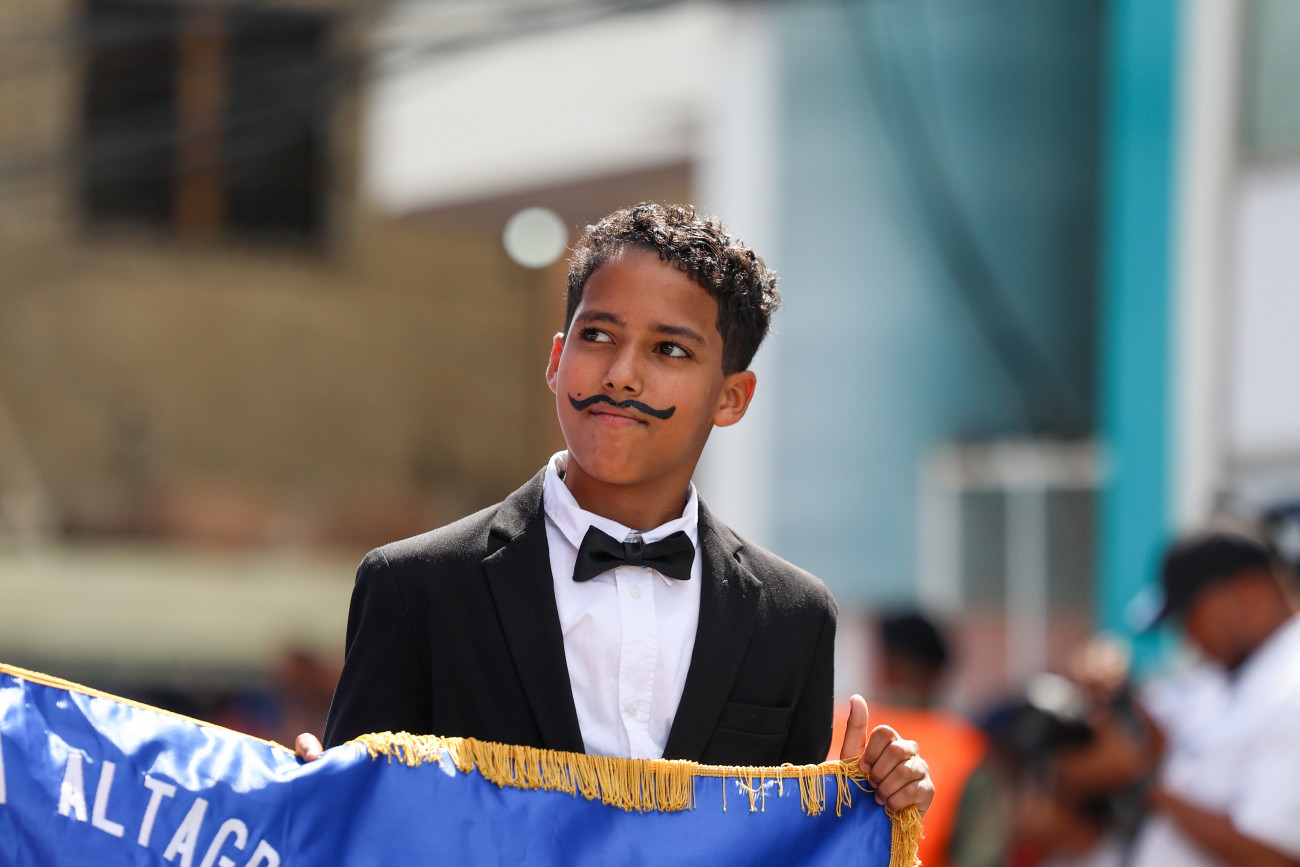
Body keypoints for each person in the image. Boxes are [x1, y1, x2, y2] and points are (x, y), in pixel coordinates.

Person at [294, 203, 933, 819]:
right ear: (556, 359)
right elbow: (357, 828)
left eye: (670, 350)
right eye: (597, 335)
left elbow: (782, 847)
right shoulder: (415, 588)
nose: (621, 375)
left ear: (732, 398)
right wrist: (306, 798)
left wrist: (863, 807)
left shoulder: (793, 616)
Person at [1101, 530, 1300, 867]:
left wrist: (1147, 784)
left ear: (1251, 594)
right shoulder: (1231, 676)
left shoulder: (1291, 689)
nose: (1189, 637)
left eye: (1190, 615)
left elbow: (1274, 856)